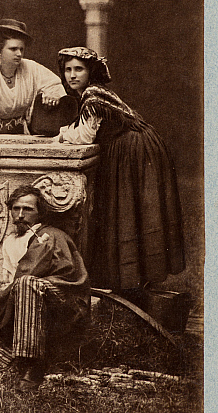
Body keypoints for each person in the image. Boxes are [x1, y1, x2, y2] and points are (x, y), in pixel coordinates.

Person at [57, 46, 185, 293]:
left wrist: (62, 137)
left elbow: (85, 136)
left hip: (133, 150)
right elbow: (87, 129)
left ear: (90, 72)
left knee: (129, 209)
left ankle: (134, 279)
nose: (72, 75)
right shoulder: (94, 94)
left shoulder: (93, 96)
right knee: (132, 211)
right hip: (138, 146)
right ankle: (135, 278)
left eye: (79, 69)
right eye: (68, 70)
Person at [0, 185, 90, 392]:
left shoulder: (50, 235)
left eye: (28, 209)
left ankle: (33, 365)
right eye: (16, 209)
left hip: (59, 304)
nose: (20, 215)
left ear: (40, 213)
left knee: (26, 283)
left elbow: (48, 276)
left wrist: (12, 289)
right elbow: (7, 282)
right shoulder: (10, 242)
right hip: (21, 302)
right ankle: (14, 364)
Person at [0, 19, 66, 143]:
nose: (19, 54)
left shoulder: (31, 68)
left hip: (21, 134)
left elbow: (54, 84)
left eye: (21, 49)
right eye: (13, 49)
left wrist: (52, 95)